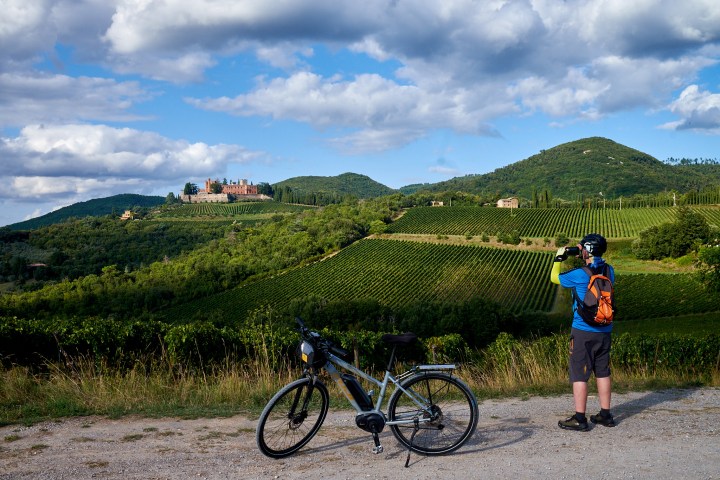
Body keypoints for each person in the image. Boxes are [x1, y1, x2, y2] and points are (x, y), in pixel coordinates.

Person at [551, 233, 616, 431]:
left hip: (583, 331)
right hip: (605, 329)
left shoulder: (579, 274)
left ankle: (580, 418)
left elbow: (555, 278)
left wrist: (558, 259)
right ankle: (605, 415)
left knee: (580, 373)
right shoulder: (610, 270)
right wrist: (581, 252)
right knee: (602, 371)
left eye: (582, 248)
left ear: (587, 249)